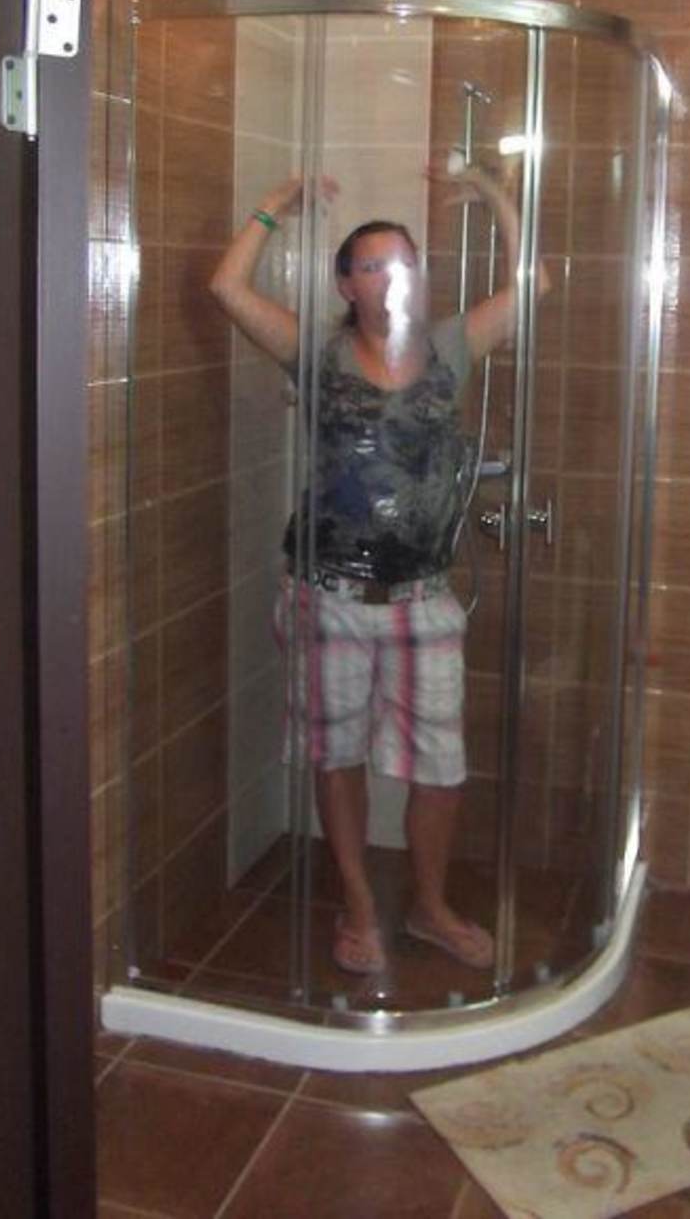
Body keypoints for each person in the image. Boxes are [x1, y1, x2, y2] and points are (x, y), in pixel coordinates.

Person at [209, 165, 545, 976]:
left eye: (402, 262)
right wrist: (274, 206)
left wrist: (493, 195)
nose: (390, 275)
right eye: (370, 264)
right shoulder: (315, 353)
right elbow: (225, 287)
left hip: (421, 597)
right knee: (336, 756)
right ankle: (358, 906)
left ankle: (428, 907)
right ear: (345, 285)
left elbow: (533, 287)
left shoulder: (450, 348)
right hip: (326, 594)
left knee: (441, 767)